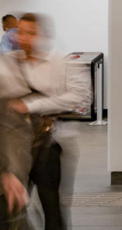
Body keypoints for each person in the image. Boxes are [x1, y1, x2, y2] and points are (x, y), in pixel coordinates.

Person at [1, 14, 88, 230]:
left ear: (45, 36)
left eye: (31, 33)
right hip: (15, 147)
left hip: (49, 145)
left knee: (51, 205)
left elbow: (80, 97)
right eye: (21, 32)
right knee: (11, 204)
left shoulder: (62, 64)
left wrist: (30, 106)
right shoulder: (8, 64)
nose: (24, 38)